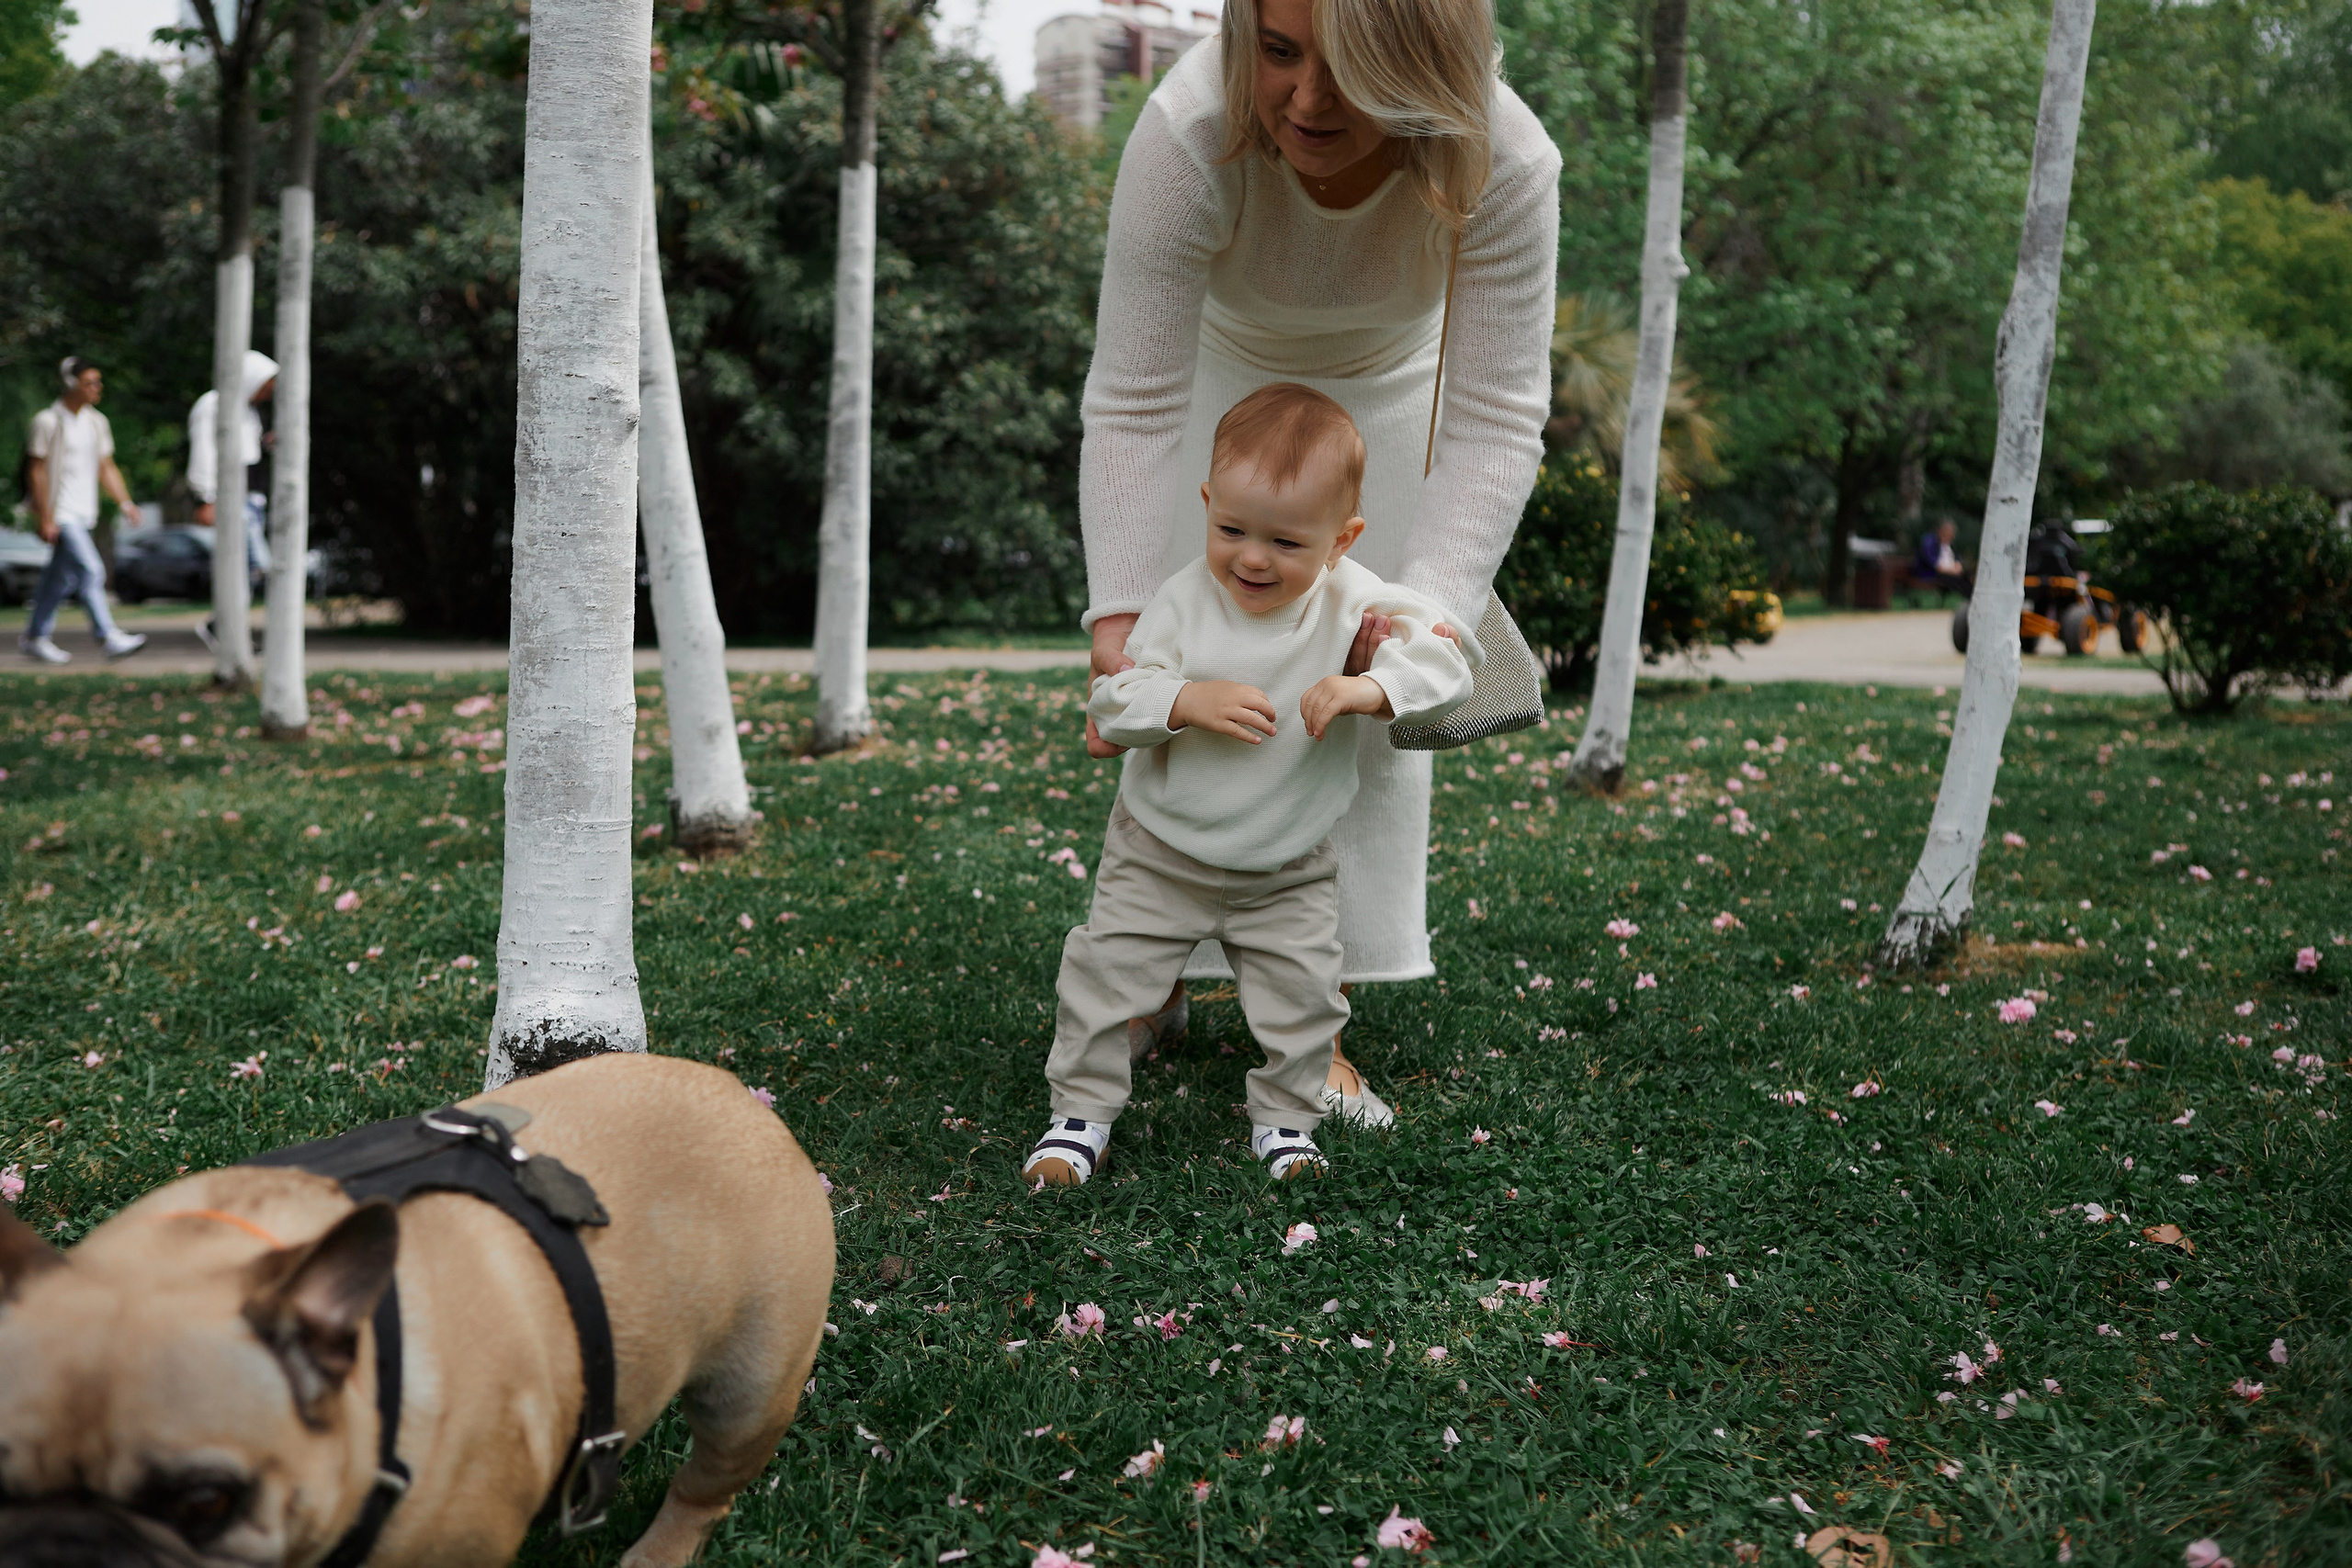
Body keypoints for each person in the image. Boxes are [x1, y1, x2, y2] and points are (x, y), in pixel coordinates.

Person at [1077, 0, 1558, 1126]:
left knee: (1344, 711)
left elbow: (1496, 415)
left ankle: (1311, 1027)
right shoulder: (1187, 129)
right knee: (1188, 686)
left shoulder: (1508, 156)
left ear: (1421, 62)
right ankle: (1150, 977)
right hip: (1217, 398)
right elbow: (1133, 398)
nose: (1305, 99)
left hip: (1391, 405)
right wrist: (1120, 613)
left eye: (1351, 66)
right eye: (1280, 52)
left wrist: (1425, 618)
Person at [1026, 387, 1476, 1187]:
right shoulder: (1182, 601)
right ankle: (1080, 1116)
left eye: (1286, 541)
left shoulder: (1353, 597)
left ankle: (1286, 1122)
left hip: (1286, 865)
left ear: (1342, 539)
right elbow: (1115, 701)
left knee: (1304, 1000)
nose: (1253, 558)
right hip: (1160, 850)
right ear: (1207, 505)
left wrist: (1369, 687)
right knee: (1103, 977)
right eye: (1232, 530)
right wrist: (1183, 700)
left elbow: (1447, 660)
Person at [20, 356, 147, 664]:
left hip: (84, 510)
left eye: (98, 382)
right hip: (61, 512)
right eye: (90, 383)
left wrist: (125, 502)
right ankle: (108, 637)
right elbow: (35, 471)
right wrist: (45, 517)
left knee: (59, 579)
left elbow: (106, 466)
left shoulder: (96, 422)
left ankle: (35, 637)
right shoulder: (48, 421)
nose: (97, 388)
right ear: (70, 383)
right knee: (91, 570)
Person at [187, 349, 277, 650]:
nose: (267, 394)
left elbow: (247, 453)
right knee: (256, 565)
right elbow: (203, 452)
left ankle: (225, 629)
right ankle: (224, 628)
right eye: (265, 386)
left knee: (248, 570)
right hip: (229, 499)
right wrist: (205, 497)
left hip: (251, 498)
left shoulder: (249, 411)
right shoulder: (213, 405)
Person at [1912, 519, 1968, 595]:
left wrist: (1958, 564)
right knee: (1959, 582)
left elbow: (1957, 556)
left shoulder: (1950, 544)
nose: (1950, 537)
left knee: (1969, 577)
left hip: (1950, 571)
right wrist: (1950, 571)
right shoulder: (1930, 541)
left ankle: (1971, 598)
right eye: (1948, 534)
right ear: (1941, 531)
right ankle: (1970, 598)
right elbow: (1931, 561)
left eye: (1952, 535)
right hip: (1931, 573)